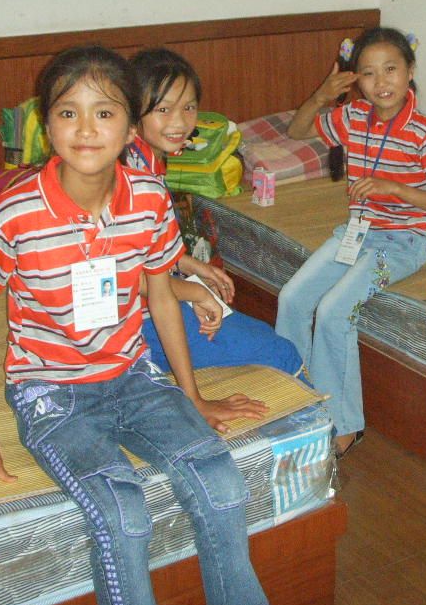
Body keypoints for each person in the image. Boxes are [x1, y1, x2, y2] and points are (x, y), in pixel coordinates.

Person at [0, 45, 271, 605]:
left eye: (105, 113)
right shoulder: (13, 213)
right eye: (68, 113)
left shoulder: (148, 199)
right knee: (124, 515)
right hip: (51, 392)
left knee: (223, 486)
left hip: (133, 376)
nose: (86, 129)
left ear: (129, 127)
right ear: (47, 125)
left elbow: (161, 297)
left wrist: (192, 395)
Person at [277, 27, 426, 458]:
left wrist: (396, 189)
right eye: (369, 73)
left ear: (410, 71)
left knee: (334, 310)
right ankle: (298, 404)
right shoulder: (353, 116)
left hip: (404, 240)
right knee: (292, 298)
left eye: (391, 69)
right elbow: (297, 131)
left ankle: (344, 424)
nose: (381, 82)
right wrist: (321, 96)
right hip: (356, 231)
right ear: (356, 79)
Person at [126, 47, 304, 378]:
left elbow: (150, 251)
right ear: (134, 110)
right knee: (280, 353)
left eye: (189, 107)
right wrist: (193, 291)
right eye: (163, 109)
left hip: (154, 302)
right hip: (135, 324)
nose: (179, 122)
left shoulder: (144, 160)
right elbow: (127, 272)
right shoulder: (130, 177)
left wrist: (191, 266)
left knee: (260, 335)